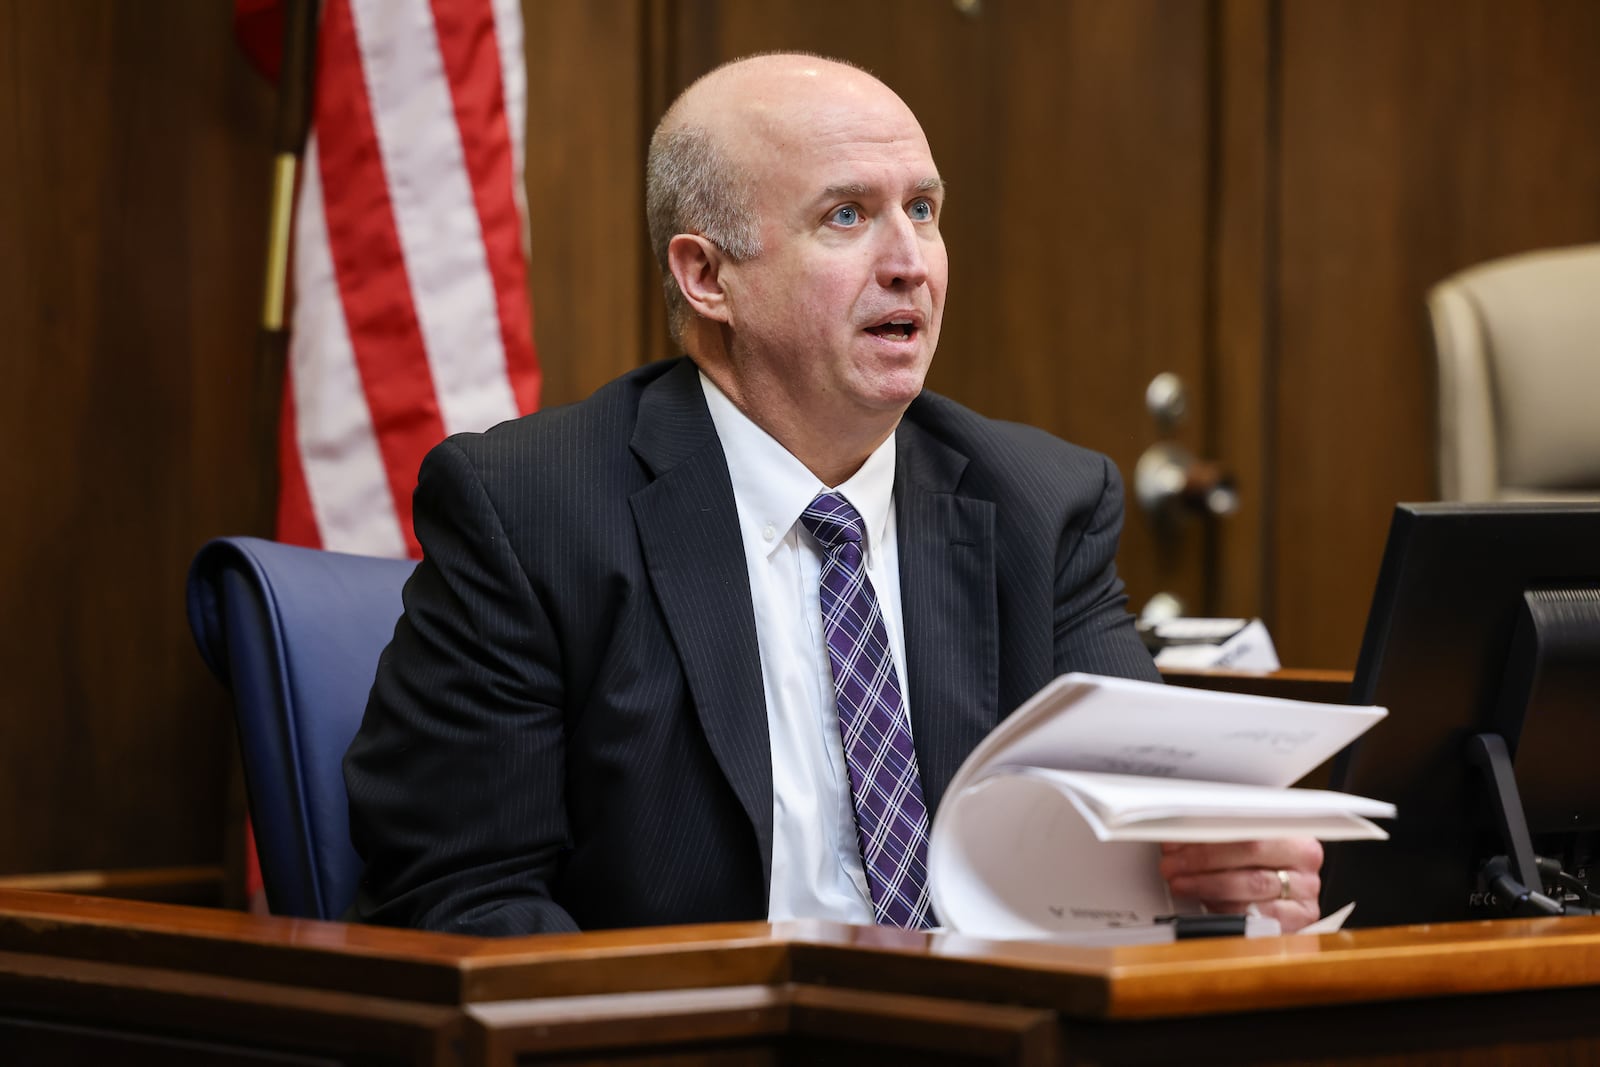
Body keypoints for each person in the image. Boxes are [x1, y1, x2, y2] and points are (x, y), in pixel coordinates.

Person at [343, 53, 1324, 937]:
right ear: (707, 275)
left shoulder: (1042, 502)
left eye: (924, 210)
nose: (909, 262)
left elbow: (1137, 838)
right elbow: (463, 898)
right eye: (846, 215)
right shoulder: (531, 511)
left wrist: (1217, 879)